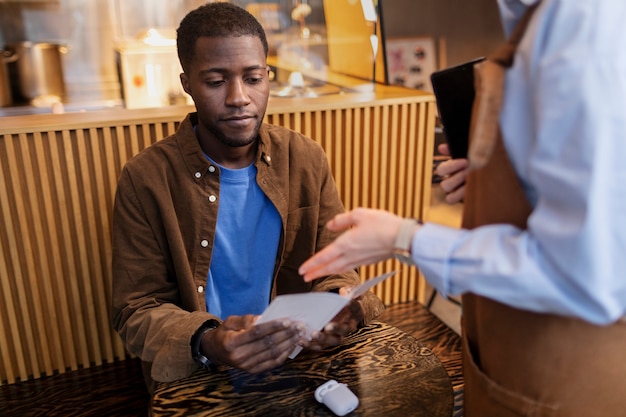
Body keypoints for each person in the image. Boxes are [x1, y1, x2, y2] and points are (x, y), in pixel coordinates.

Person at [299, 1, 626, 415]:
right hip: (504, 354)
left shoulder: (582, 27)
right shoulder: (539, 18)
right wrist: (501, 181)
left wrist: (405, 237)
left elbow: (584, 275)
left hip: (564, 377)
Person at [111, 2, 383, 393]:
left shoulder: (305, 158)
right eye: (216, 81)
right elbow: (135, 310)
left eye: (253, 78)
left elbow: (337, 266)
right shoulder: (146, 178)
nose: (239, 97)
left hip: (299, 361)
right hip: (200, 377)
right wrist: (210, 341)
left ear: (268, 77)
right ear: (187, 83)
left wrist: (336, 305)